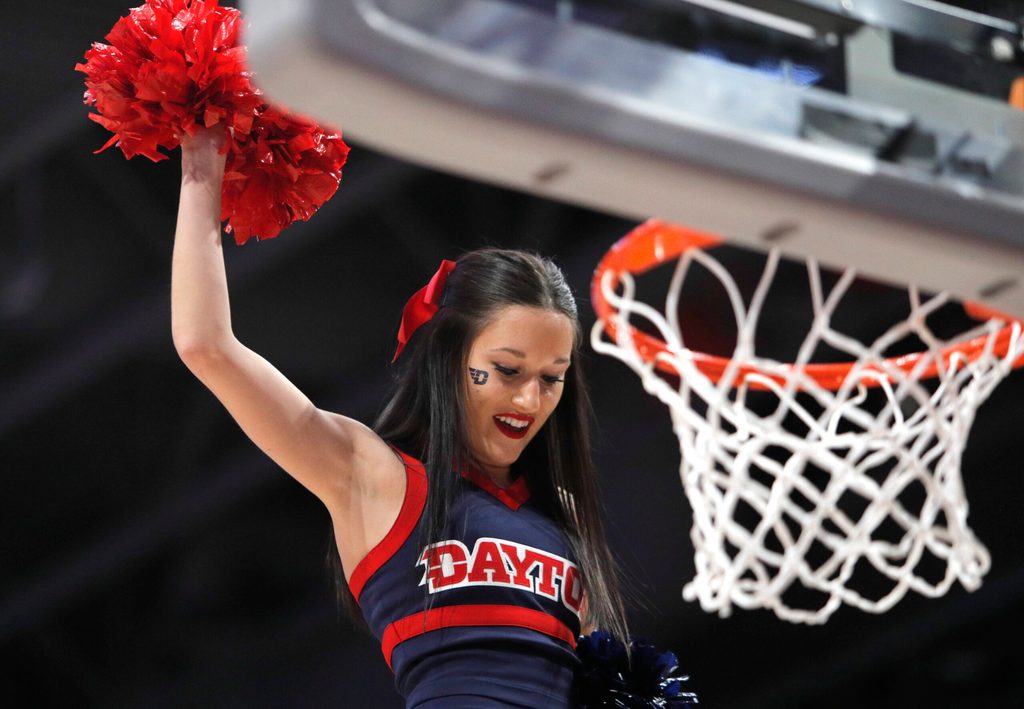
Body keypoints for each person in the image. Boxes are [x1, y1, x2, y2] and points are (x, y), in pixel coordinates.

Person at [170, 124, 631, 707]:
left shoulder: (560, 512)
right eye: (507, 370)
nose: (528, 401)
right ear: (447, 358)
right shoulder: (370, 473)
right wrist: (202, 151)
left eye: (551, 378)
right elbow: (205, 345)